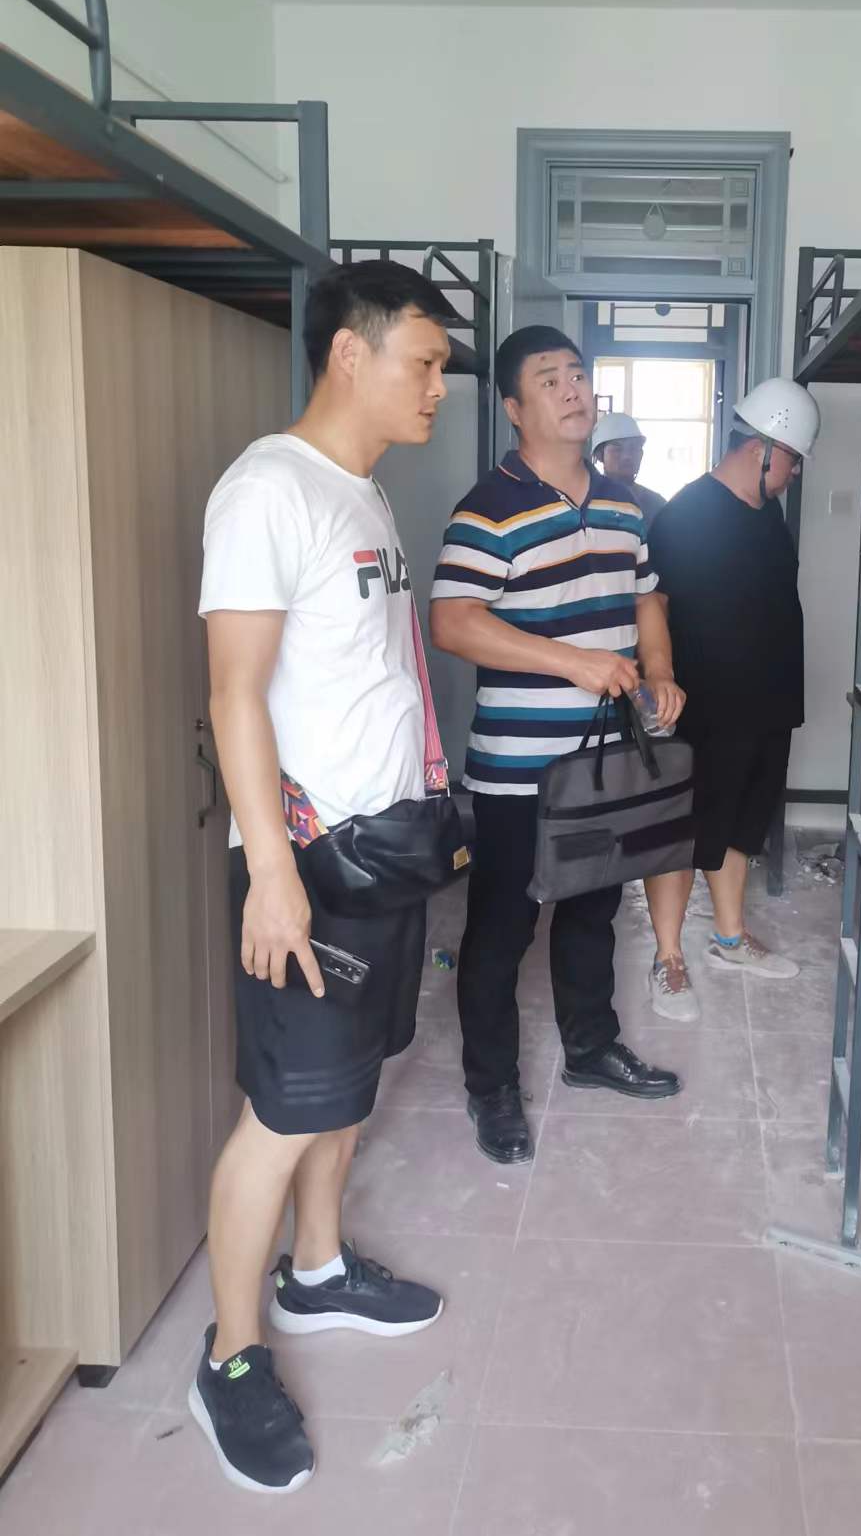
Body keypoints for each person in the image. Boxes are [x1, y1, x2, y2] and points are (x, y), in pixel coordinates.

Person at [193, 261, 456, 1495]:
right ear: (351, 353)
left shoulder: (363, 490)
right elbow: (233, 693)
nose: (438, 386)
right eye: (425, 361)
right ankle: (231, 1355)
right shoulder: (268, 489)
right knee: (285, 1107)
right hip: (302, 862)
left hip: (379, 851)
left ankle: (317, 1269)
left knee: (348, 1085)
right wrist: (269, 873)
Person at [430, 325, 685, 1164]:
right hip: (517, 769)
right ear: (515, 407)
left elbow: (647, 596)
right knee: (502, 929)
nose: (574, 390)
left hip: (604, 759)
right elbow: (453, 622)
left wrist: (659, 671)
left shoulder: (622, 504)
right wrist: (573, 661)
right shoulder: (488, 507)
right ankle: (491, 1088)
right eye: (550, 380)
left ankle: (590, 1048)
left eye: (579, 375)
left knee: (593, 911)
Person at [642, 378, 822, 1021]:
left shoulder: (767, 514)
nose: (794, 474)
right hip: (705, 708)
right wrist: (661, 676)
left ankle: (728, 937)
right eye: (792, 460)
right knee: (682, 833)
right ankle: (668, 959)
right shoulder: (688, 513)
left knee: (743, 825)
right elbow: (653, 601)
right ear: (762, 448)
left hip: (767, 703)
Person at [591, 410, 666, 530]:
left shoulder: (656, 504)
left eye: (633, 448)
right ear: (600, 455)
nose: (627, 456)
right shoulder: (587, 503)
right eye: (617, 449)